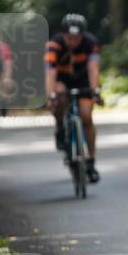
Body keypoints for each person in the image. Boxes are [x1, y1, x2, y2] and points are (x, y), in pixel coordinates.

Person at [45, 14, 102, 183]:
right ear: (62, 35)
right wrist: (51, 95)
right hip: (62, 79)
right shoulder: (53, 45)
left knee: (86, 117)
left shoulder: (91, 43)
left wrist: (95, 90)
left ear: (83, 35)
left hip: (82, 80)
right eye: (69, 38)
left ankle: (90, 161)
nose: (73, 41)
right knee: (59, 94)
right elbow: (50, 72)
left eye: (77, 38)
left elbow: (93, 69)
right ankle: (60, 126)